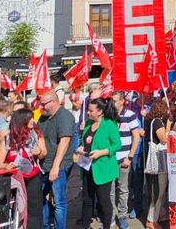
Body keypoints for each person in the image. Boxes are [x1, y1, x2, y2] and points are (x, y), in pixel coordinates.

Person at [0, 108, 46, 229]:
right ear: (21, 121)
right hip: (15, 179)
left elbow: (44, 153)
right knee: (17, 209)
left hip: (32, 176)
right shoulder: (8, 139)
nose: (33, 120)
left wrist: (39, 153)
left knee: (34, 209)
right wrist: (6, 165)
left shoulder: (36, 134)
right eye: (30, 118)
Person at [77, 98, 121, 229]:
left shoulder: (109, 124)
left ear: (100, 111)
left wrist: (101, 152)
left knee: (103, 201)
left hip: (103, 168)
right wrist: (81, 147)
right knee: (87, 200)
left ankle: (106, 226)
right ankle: (85, 226)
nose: (88, 113)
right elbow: (85, 141)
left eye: (91, 111)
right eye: (88, 110)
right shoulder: (88, 123)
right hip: (87, 167)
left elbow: (117, 144)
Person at [37, 91, 75, 229]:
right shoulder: (43, 116)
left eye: (44, 104)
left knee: (59, 202)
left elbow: (64, 141)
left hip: (59, 166)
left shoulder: (65, 116)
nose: (41, 107)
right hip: (43, 165)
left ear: (53, 102)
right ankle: (45, 226)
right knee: (40, 197)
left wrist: (55, 166)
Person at [111, 91, 143, 229]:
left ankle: (122, 215)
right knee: (110, 190)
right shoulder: (108, 116)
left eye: (114, 100)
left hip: (123, 159)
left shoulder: (130, 115)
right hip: (110, 159)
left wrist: (129, 157)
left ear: (122, 101)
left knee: (123, 189)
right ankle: (111, 215)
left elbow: (136, 136)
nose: (111, 103)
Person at [143, 98, 169, 229]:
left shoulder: (153, 121)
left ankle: (159, 215)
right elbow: (163, 139)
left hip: (159, 160)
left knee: (159, 191)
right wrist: (169, 126)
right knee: (158, 192)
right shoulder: (158, 122)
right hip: (159, 161)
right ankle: (151, 220)